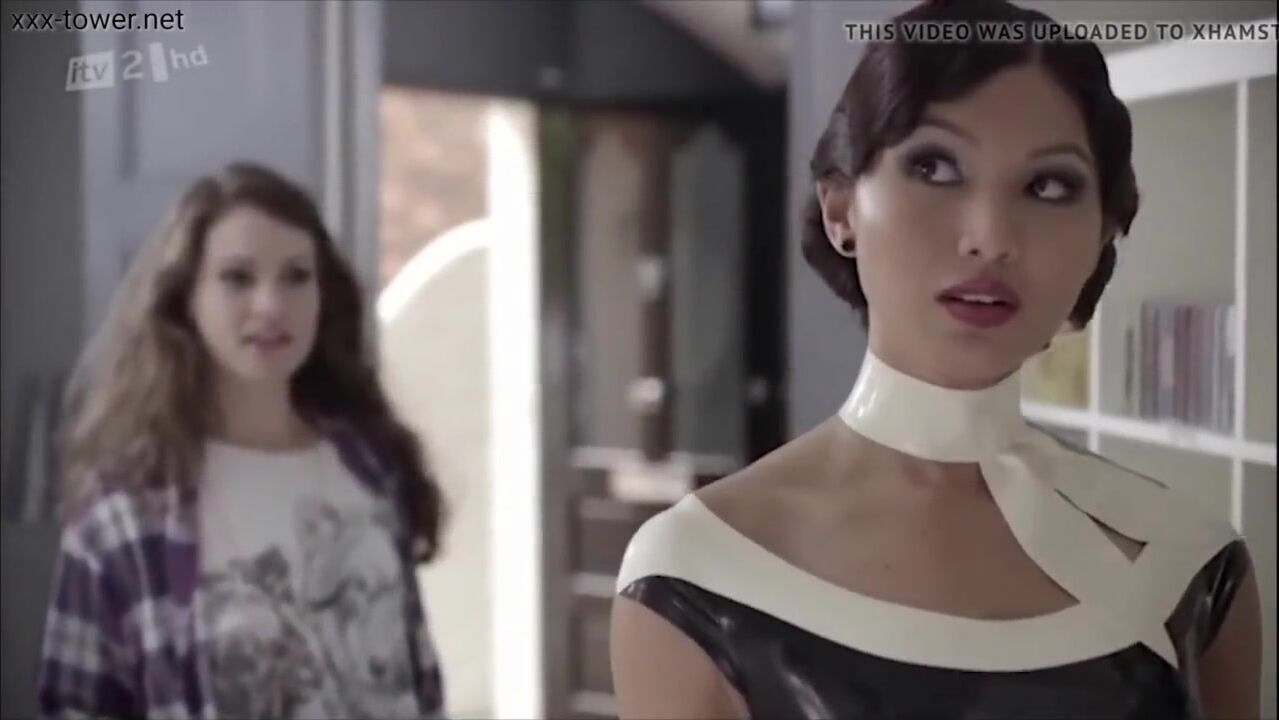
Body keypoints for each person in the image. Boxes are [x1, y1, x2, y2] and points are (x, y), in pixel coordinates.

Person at [610, 1, 1263, 718]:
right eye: (934, 166)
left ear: (1101, 233)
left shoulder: (1191, 567)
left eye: (1049, 186)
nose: (990, 237)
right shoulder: (694, 579)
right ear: (840, 210)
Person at [37, 161, 447, 719]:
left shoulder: (370, 467)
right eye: (237, 278)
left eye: (296, 276)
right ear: (186, 298)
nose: (271, 306)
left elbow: (418, 679)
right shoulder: (124, 516)